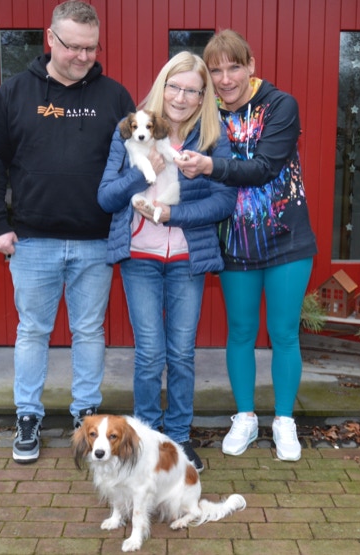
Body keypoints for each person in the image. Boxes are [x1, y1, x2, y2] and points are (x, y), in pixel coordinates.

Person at [0, 1, 135, 464]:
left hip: (96, 242)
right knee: (32, 331)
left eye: (91, 48)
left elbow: (135, 162)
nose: (83, 56)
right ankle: (28, 416)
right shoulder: (13, 94)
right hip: (32, 241)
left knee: (89, 331)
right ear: (50, 39)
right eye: (73, 47)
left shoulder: (114, 97)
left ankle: (87, 418)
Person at [176, 30, 318, 461]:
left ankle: (284, 421)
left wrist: (209, 165)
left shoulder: (280, 105)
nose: (225, 79)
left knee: (283, 332)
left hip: (286, 239)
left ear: (251, 65)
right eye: (215, 70)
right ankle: (245, 417)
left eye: (234, 67)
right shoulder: (205, 111)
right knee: (240, 331)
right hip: (233, 240)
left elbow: (264, 167)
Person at [98, 52, 237, 472]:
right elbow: (106, 197)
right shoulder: (130, 129)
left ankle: (177, 438)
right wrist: (145, 172)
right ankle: (144, 438)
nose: (181, 97)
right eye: (174, 86)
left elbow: (224, 202)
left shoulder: (211, 139)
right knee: (148, 354)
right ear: (162, 85)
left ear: (203, 96)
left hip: (186, 260)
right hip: (140, 258)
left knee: (181, 354)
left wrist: (173, 215)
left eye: (192, 90)